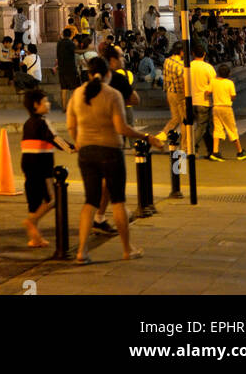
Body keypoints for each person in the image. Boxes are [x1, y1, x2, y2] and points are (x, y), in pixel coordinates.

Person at [66, 56, 160, 263]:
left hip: (86, 152)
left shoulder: (77, 94)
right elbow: (121, 128)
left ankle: (82, 251)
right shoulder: (113, 95)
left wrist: (79, 142)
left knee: (90, 201)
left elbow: (71, 126)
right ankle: (127, 249)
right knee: (117, 201)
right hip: (110, 150)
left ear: (88, 74)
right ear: (108, 74)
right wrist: (146, 136)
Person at [20, 87, 72, 247]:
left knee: (33, 201)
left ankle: (34, 238)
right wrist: (72, 147)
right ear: (36, 105)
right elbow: (54, 139)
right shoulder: (42, 122)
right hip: (42, 165)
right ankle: (31, 221)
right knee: (52, 199)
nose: (48, 104)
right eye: (45, 101)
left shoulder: (28, 123)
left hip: (28, 164)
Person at [207, 63, 246, 162]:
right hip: (226, 107)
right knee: (232, 129)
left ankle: (215, 152)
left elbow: (208, 92)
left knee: (217, 129)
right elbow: (233, 96)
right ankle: (240, 151)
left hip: (216, 107)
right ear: (228, 74)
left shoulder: (213, 81)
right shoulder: (229, 83)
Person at [155, 42, 186, 145]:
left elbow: (165, 76)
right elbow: (182, 82)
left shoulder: (167, 61)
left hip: (169, 92)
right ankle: (185, 145)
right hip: (179, 94)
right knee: (183, 120)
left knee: (175, 117)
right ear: (181, 51)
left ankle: (163, 134)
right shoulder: (180, 65)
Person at [190, 42, 217, 157]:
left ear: (192, 54)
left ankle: (211, 150)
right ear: (204, 54)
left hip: (191, 100)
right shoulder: (208, 68)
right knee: (202, 126)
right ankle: (191, 147)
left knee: (205, 126)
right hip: (204, 101)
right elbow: (214, 84)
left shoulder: (188, 67)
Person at [56, 27, 79, 109]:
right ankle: (74, 106)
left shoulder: (59, 43)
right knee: (74, 88)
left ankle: (64, 107)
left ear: (63, 34)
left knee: (63, 89)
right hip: (70, 68)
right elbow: (75, 51)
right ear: (71, 35)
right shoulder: (70, 43)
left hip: (61, 68)